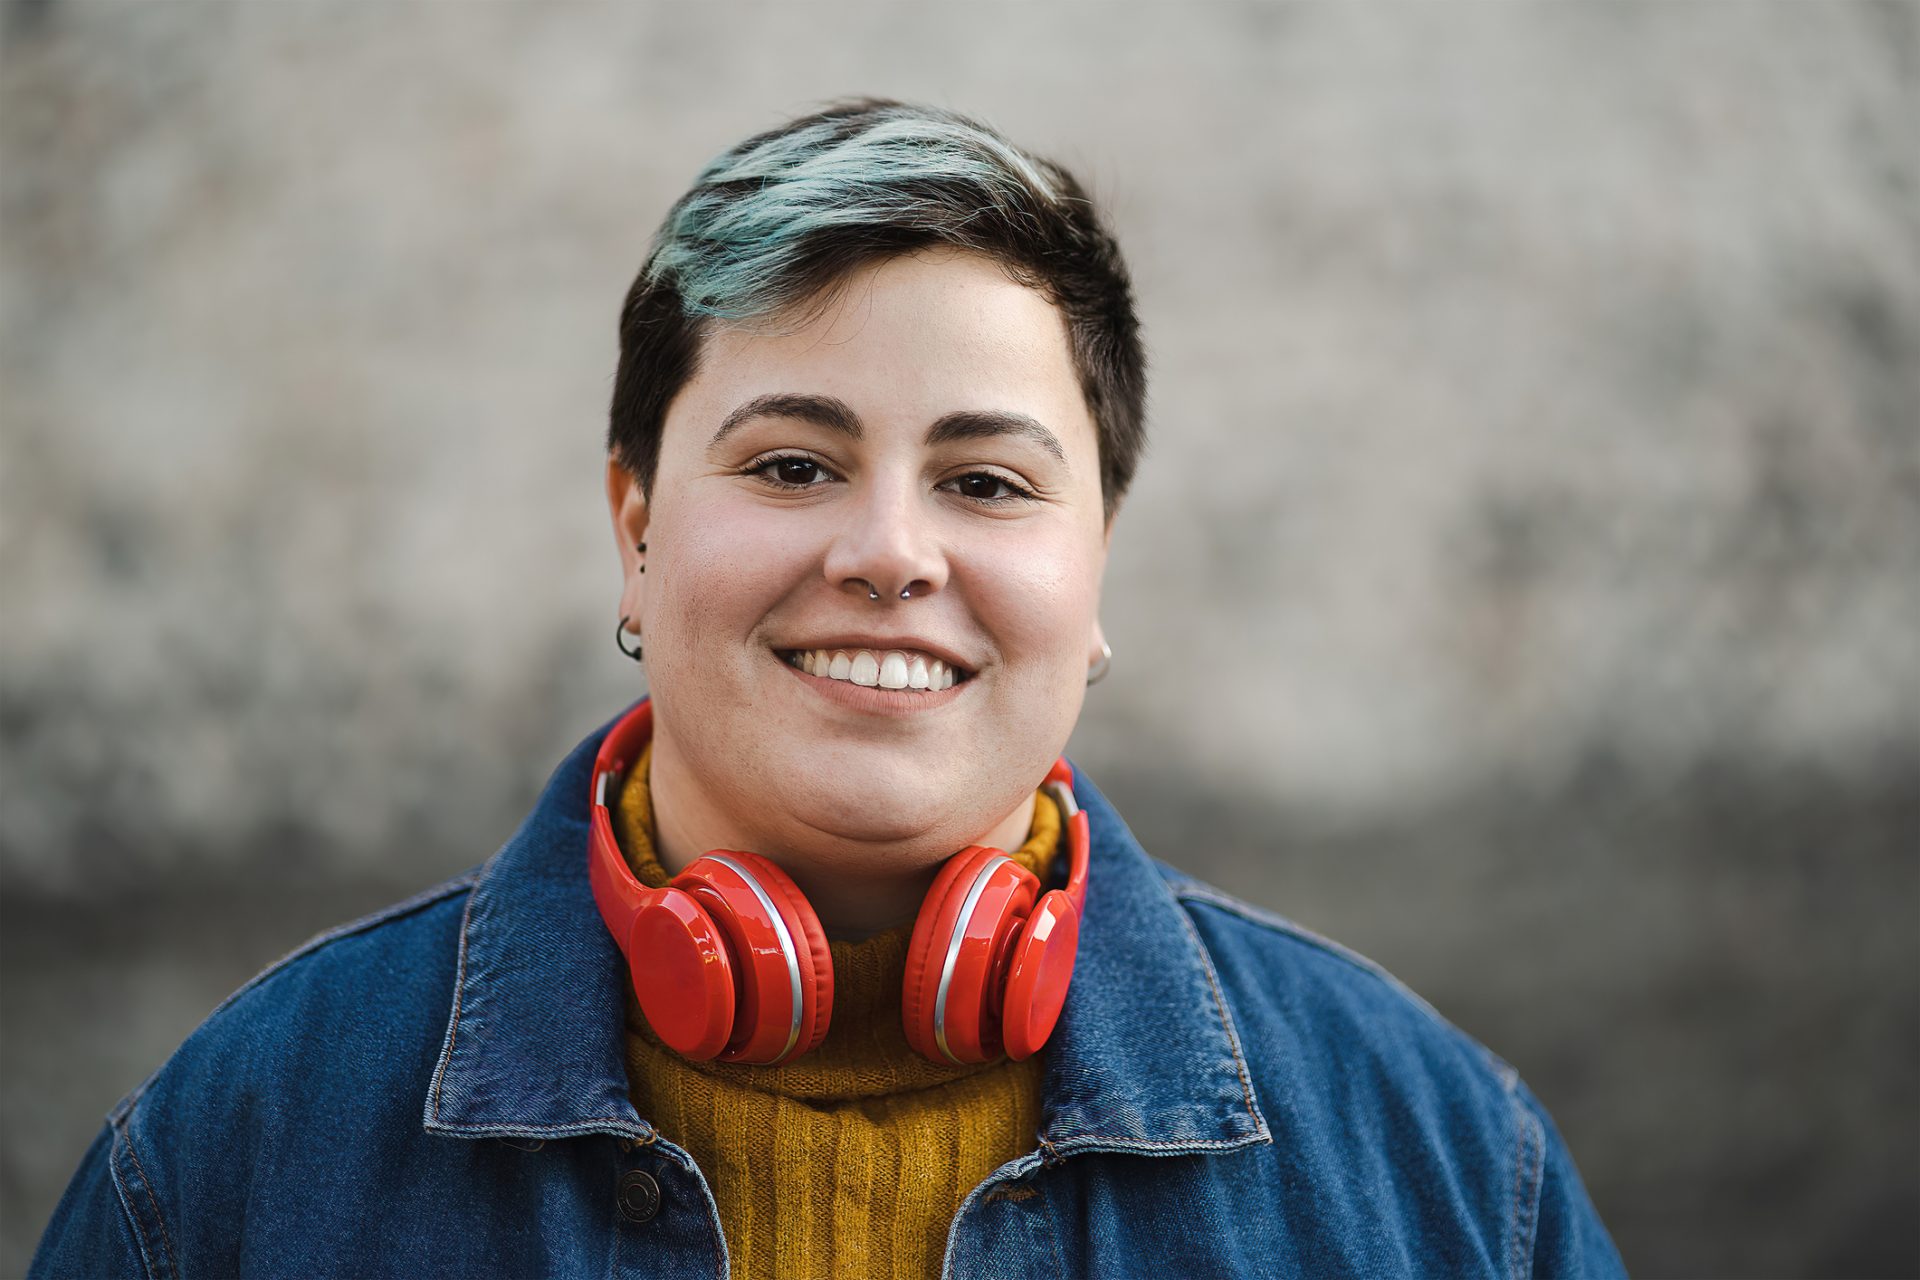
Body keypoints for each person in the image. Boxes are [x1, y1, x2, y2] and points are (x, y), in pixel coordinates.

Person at [30, 98, 1625, 1279]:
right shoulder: (240, 1153)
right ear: (637, 527)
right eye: (793, 463)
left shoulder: (1446, 1171)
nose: (889, 552)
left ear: (1099, 568)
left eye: (989, 485)